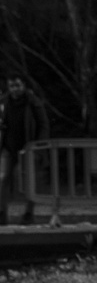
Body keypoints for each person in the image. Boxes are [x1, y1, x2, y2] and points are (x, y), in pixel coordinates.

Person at [0, 75, 48, 224]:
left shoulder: (33, 102)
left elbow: (43, 124)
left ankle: (28, 213)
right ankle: (2, 213)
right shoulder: (5, 101)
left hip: (29, 147)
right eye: (12, 86)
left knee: (28, 181)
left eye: (17, 85)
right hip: (9, 146)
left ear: (24, 86)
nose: (14, 89)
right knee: (3, 179)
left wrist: (39, 146)